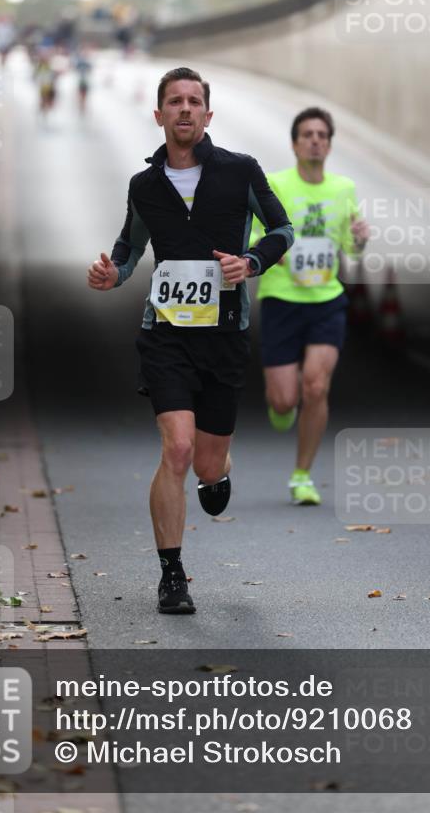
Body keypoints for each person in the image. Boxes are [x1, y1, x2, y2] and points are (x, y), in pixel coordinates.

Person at [87, 67, 293, 614]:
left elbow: (282, 230)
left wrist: (249, 262)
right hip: (167, 336)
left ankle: (219, 470)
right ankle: (172, 575)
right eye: (174, 102)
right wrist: (114, 274)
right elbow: (129, 248)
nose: (184, 109)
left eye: (193, 101)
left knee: (204, 463)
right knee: (175, 448)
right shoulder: (145, 186)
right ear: (159, 115)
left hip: (224, 338)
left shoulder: (240, 171)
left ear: (207, 114)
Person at [253, 107, 370, 505]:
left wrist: (360, 238)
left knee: (316, 386)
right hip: (282, 299)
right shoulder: (275, 185)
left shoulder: (343, 189)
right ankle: (281, 409)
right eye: (307, 134)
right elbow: (255, 234)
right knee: (284, 399)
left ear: (330, 144)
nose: (315, 140)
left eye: (322, 134)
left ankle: (302, 474)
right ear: (294, 143)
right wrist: (277, 253)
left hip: (326, 300)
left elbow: (350, 245)